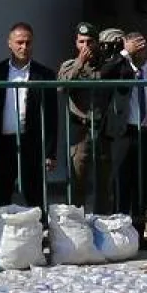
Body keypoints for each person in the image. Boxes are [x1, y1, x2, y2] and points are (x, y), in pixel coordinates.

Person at [0, 22, 58, 233]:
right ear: (9, 44)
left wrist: (50, 152)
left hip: (31, 143)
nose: (24, 47)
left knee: (35, 194)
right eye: (19, 42)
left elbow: (52, 117)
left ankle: (40, 236)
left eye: (28, 42)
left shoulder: (44, 74)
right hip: (2, 143)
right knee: (0, 194)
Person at [57, 22, 132, 212]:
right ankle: (77, 224)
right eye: (82, 42)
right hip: (80, 129)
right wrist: (79, 63)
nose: (86, 46)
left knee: (104, 183)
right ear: (76, 43)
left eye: (90, 42)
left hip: (102, 128)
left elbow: (126, 78)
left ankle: (102, 224)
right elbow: (62, 86)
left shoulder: (106, 65)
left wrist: (122, 54)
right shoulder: (69, 66)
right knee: (78, 182)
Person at [111, 32, 147, 243]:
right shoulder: (120, 71)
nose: (140, 51)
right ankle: (119, 236)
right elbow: (104, 72)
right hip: (125, 135)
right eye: (136, 47)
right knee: (121, 187)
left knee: (142, 189)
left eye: (143, 46)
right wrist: (125, 53)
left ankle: (138, 235)